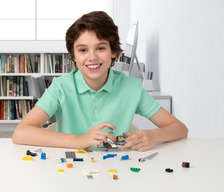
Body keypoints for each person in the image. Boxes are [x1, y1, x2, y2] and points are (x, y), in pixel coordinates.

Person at [12, 11, 188, 151]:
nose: (92, 57)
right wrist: (80, 140)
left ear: (113, 52)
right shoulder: (60, 87)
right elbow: (21, 133)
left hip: (117, 170)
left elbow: (180, 129)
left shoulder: (131, 87)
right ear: (73, 56)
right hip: (68, 169)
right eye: (83, 50)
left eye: (101, 48)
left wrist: (155, 136)